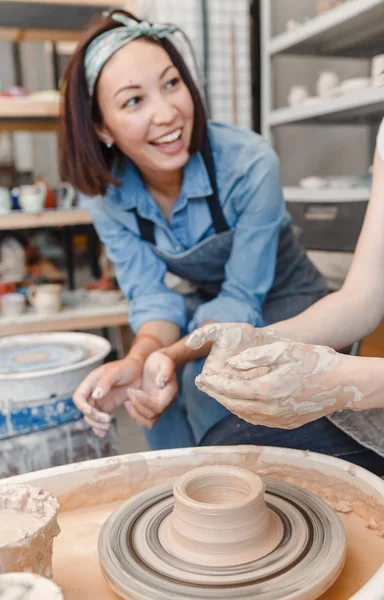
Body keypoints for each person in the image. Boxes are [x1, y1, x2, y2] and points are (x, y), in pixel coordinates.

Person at [60, 10, 327, 450]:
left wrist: (175, 354)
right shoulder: (108, 196)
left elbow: (242, 299)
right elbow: (153, 298)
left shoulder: (249, 164)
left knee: (211, 391)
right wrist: (139, 358)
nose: (167, 114)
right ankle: (178, 507)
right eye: (134, 101)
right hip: (209, 305)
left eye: (171, 84)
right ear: (101, 126)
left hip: (286, 300)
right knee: (151, 397)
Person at [138, 118, 384, 474]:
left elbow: (242, 289)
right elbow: (361, 299)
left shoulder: (248, 159)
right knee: (225, 450)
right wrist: (257, 340)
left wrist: (341, 381)